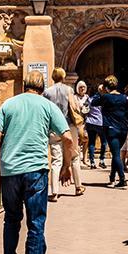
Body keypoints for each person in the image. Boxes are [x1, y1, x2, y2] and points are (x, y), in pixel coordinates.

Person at [0, 70, 76, 254]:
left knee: (11, 218)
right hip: (36, 171)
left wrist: (2, 151)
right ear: (42, 87)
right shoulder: (48, 106)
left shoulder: (9, 104)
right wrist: (66, 166)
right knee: (36, 223)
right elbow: (68, 139)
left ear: (24, 85)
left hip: (10, 171)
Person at [43, 67, 85, 199]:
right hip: (69, 126)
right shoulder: (69, 90)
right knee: (74, 156)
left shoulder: (47, 92)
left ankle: (54, 191)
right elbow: (74, 106)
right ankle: (78, 186)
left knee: (56, 160)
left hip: (54, 128)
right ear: (63, 76)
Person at [90, 75, 128, 188]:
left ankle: (122, 179)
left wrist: (99, 92)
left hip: (111, 129)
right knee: (116, 153)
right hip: (123, 129)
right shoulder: (124, 98)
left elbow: (93, 103)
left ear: (106, 87)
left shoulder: (106, 97)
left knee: (116, 154)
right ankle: (112, 177)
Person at [84, 80, 107, 169]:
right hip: (100, 122)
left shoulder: (89, 99)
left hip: (90, 122)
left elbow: (85, 109)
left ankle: (92, 162)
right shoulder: (103, 98)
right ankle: (101, 160)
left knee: (91, 142)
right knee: (104, 142)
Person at [75, 80, 91, 160]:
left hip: (86, 121)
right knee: (78, 140)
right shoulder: (75, 97)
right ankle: (77, 157)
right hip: (77, 121)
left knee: (86, 139)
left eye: (84, 87)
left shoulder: (87, 97)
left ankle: (85, 158)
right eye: (80, 87)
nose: (82, 89)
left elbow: (89, 107)